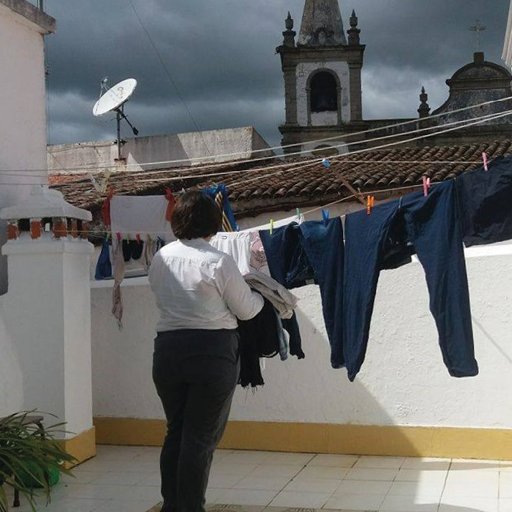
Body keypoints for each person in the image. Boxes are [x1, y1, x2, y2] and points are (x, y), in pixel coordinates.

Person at [148, 191, 264, 512]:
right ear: (212, 222)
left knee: (176, 431)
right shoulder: (218, 261)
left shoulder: (160, 257)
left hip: (168, 352)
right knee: (199, 438)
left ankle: (172, 505)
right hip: (212, 353)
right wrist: (260, 295)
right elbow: (247, 310)